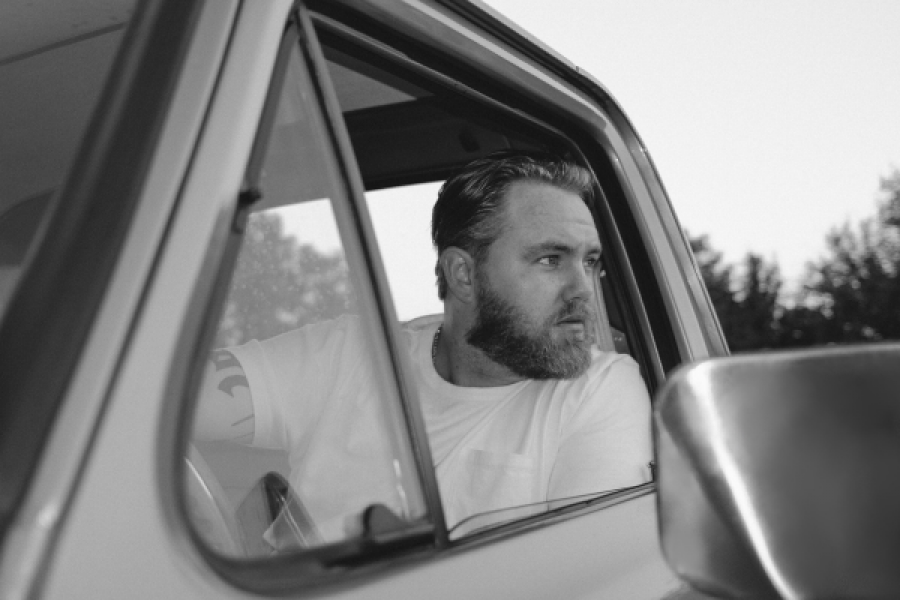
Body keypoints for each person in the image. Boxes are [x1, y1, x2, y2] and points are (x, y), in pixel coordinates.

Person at [194, 150, 652, 545]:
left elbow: (585, 578)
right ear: (464, 275)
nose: (584, 291)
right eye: (551, 260)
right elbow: (151, 399)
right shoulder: (350, 354)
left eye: (590, 262)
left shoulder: (600, 389)